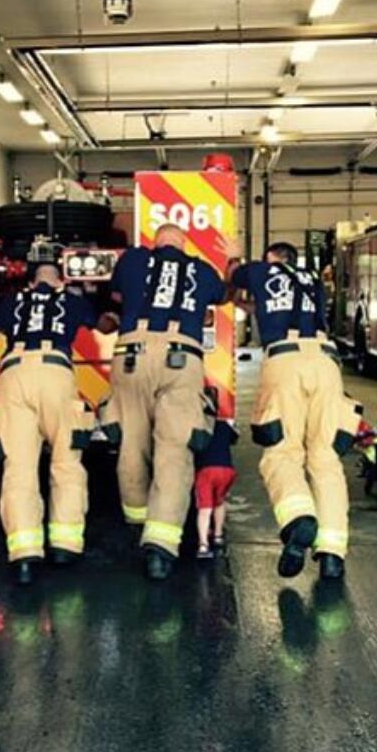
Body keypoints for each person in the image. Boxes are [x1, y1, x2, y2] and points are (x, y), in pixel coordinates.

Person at [103, 223, 235, 581]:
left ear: (154, 242)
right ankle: (160, 548)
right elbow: (224, 296)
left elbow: (115, 297)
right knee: (174, 452)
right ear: (183, 244)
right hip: (182, 360)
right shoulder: (201, 269)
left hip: (131, 355)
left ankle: (137, 522)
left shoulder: (132, 260)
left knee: (132, 445)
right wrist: (231, 258)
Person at [230, 241, 359, 581]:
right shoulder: (312, 279)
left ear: (270, 259)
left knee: (283, 452)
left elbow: (233, 276)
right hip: (325, 361)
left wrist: (233, 258)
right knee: (325, 459)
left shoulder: (261, 271)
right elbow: (263, 306)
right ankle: (332, 553)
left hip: (285, 361)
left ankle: (299, 518)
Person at [0, 263, 109, 586]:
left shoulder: (13, 300)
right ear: (61, 280)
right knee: (66, 462)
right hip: (56, 372)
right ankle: (65, 546)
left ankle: (25, 554)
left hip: (13, 374)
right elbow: (104, 325)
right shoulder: (70, 299)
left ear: (30, 281)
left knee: (19, 467)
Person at [193, 409, 237, 560]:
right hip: (227, 470)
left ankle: (203, 545)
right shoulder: (224, 424)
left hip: (206, 471)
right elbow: (233, 438)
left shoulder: (198, 424)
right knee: (219, 502)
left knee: (205, 509)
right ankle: (218, 536)